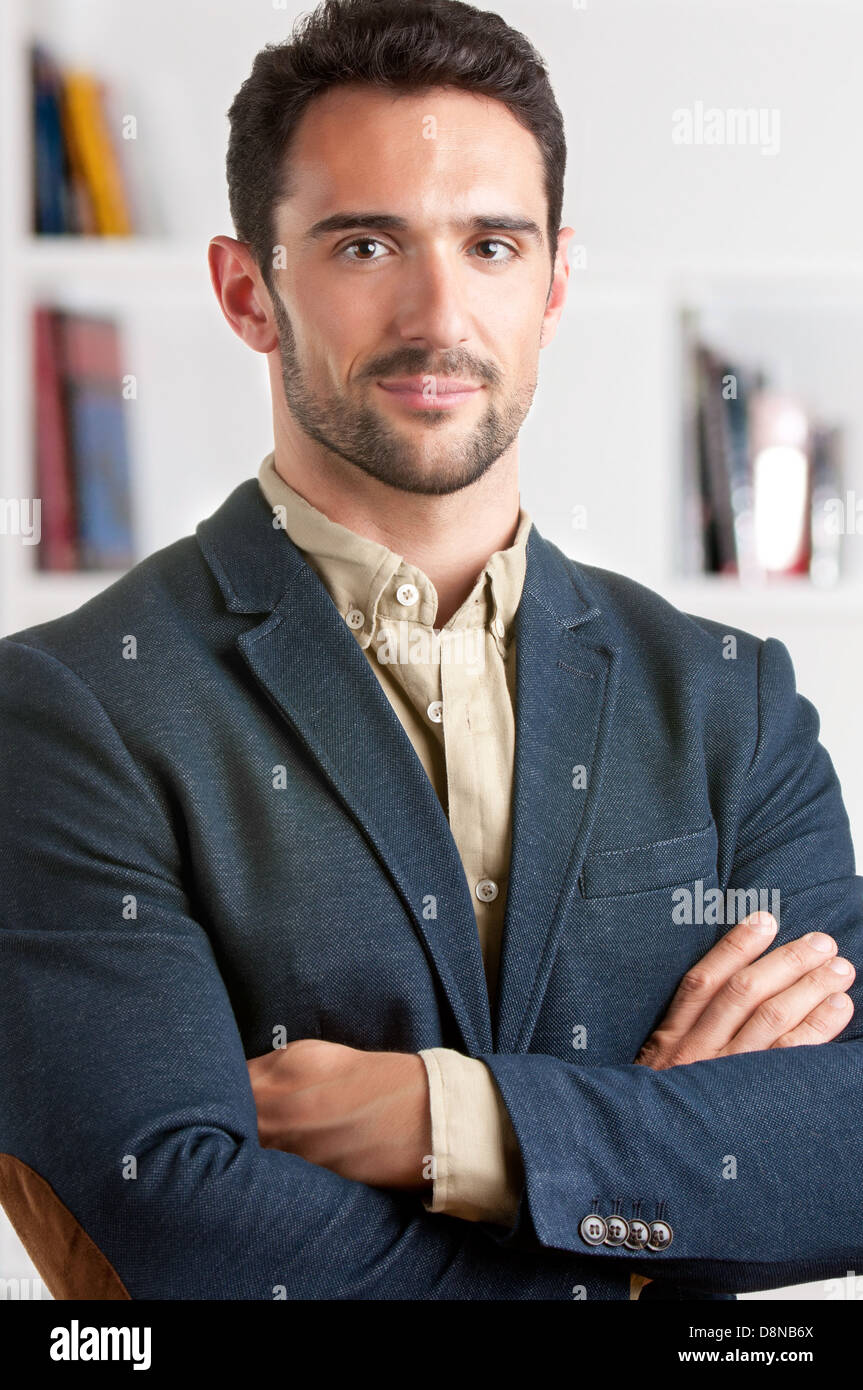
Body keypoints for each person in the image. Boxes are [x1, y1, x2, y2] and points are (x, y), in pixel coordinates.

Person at [1, 0, 860, 1302]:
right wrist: (640, 1197)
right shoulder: (72, 708)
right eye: (364, 243)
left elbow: (845, 1150)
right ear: (249, 291)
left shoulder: (735, 701)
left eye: (493, 243)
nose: (439, 309)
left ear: (555, 282)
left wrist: (451, 1122)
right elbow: (173, 1226)